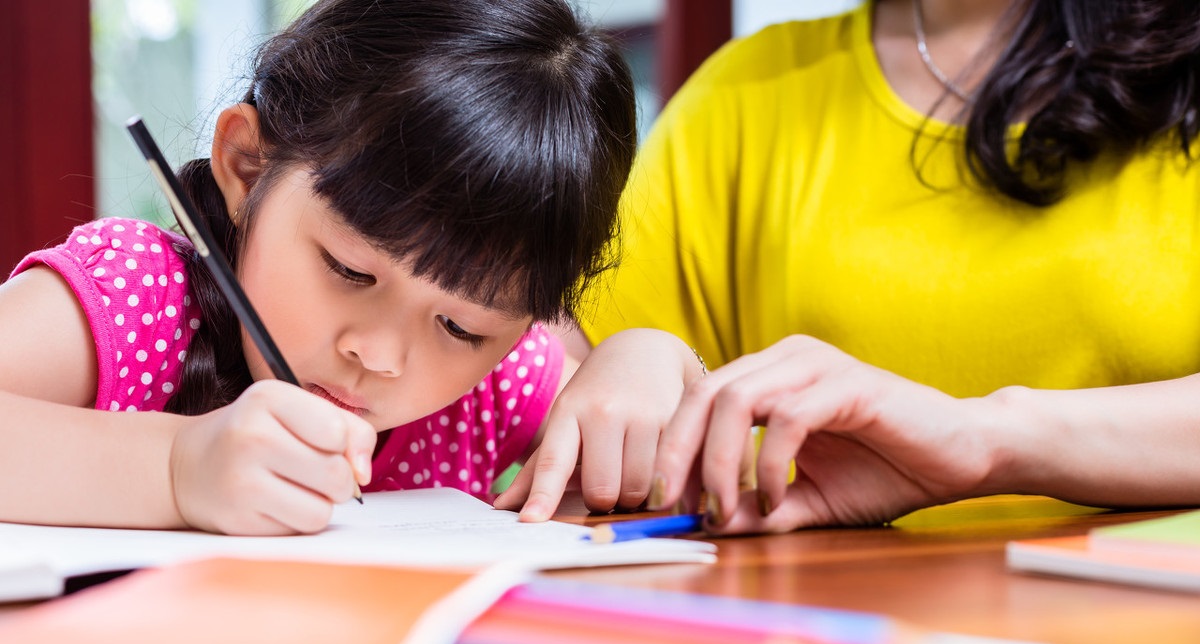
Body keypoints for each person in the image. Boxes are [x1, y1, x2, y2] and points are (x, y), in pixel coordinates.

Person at [0, 0, 704, 535]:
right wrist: (175, 470)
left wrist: (646, 359)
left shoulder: (493, 389)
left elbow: (651, 468)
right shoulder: (137, 298)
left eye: (460, 327)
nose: (380, 355)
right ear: (247, 167)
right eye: (350, 271)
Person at [496, 0, 1200, 533]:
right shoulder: (747, 94)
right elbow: (524, 401)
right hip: (808, 641)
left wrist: (984, 439)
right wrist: (635, 357)